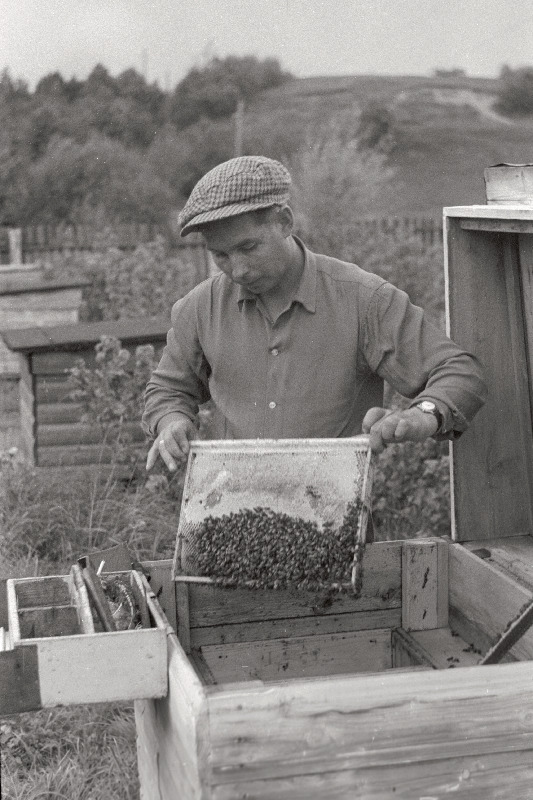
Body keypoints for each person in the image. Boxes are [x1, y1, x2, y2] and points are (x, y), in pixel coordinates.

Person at [143, 156, 486, 472]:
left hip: (335, 510)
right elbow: (167, 389)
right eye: (221, 256)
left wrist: (422, 417)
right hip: (231, 502)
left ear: (284, 222)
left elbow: (459, 370)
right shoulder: (198, 308)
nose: (239, 270)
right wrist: (171, 420)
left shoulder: (363, 299)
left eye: (248, 248)